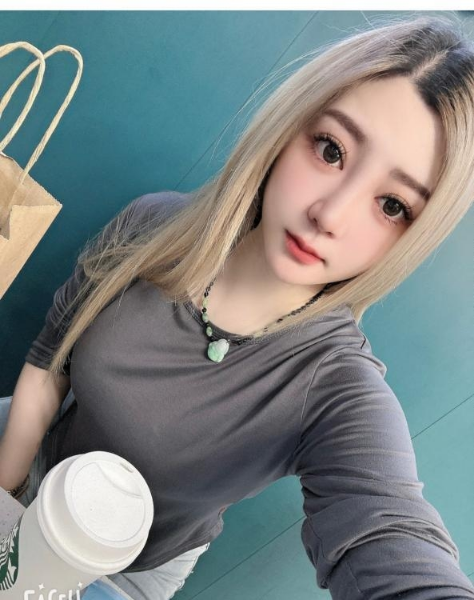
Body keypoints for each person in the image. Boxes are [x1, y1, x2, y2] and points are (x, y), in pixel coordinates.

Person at [1, 13, 474, 600]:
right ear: (289, 128)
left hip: (124, 568)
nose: (330, 215)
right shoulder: (151, 225)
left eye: (392, 205)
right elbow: (50, 360)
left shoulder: (335, 388)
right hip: (28, 452)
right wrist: (11, 501)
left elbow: (388, 531)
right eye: (331, 150)